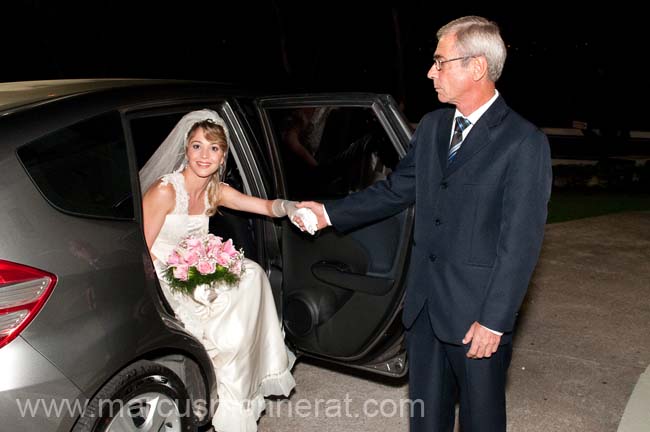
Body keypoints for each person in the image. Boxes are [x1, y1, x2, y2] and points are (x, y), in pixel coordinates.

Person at [297, 16, 552, 432]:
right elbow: (398, 190)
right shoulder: (434, 127)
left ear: (476, 67)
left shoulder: (523, 143)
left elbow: (520, 243)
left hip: (477, 318)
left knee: (481, 421)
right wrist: (329, 213)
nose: (430, 72)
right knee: (425, 421)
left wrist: (495, 320)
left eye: (440, 62)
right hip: (424, 309)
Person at [140, 109, 309, 432]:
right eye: (198, 146)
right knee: (226, 321)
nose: (205, 155)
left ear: (223, 156)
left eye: (214, 148)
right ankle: (221, 383)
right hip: (163, 274)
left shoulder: (215, 190)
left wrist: (290, 207)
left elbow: (262, 205)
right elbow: (143, 252)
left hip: (198, 268)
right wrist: (183, 279)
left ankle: (235, 398)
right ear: (185, 149)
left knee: (253, 275)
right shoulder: (165, 190)